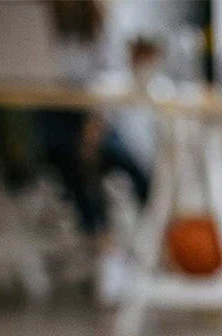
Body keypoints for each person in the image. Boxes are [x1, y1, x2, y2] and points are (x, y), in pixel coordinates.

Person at [38, 0, 150, 303]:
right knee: (69, 158)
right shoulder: (43, 19)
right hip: (56, 115)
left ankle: (149, 248)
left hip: (98, 115)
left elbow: (114, 76)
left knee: (138, 173)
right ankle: (106, 247)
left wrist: (95, 124)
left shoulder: (103, 22)